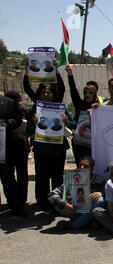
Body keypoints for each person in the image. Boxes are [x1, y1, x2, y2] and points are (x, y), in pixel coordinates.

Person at [25, 77, 77, 213]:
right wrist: (34, 123)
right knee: (41, 178)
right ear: (39, 94)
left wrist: (66, 122)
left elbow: (74, 124)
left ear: (53, 94)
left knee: (57, 177)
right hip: (41, 149)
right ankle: (43, 203)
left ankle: (58, 204)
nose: (46, 95)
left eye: (49, 93)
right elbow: (28, 131)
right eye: (43, 92)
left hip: (57, 149)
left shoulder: (60, 109)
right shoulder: (33, 110)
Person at [47, 155, 106, 230]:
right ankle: (88, 221)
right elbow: (51, 195)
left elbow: (110, 195)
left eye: (85, 166)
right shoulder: (72, 179)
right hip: (75, 209)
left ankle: (74, 224)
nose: (81, 168)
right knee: (57, 204)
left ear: (92, 169)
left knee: (101, 201)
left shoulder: (100, 180)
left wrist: (102, 193)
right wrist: (65, 205)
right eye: (80, 165)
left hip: (90, 209)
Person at [65, 64, 101, 166]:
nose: (88, 95)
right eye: (86, 93)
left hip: (92, 145)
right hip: (79, 144)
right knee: (80, 166)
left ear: (95, 95)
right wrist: (70, 75)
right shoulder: (79, 104)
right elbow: (73, 91)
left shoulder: (99, 108)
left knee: (90, 166)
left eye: (90, 93)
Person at [0, 95, 26, 216]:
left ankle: (15, 207)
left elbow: (17, 119)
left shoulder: (8, 102)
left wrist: (6, 123)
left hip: (4, 148)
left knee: (8, 179)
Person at [4, 91, 30, 207]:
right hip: (7, 147)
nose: (19, 103)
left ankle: (22, 199)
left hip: (21, 146)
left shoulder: (23, 110)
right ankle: (13, 200)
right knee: (9, 176)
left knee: (22, 175)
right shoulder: (4, 111)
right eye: (17, 100)